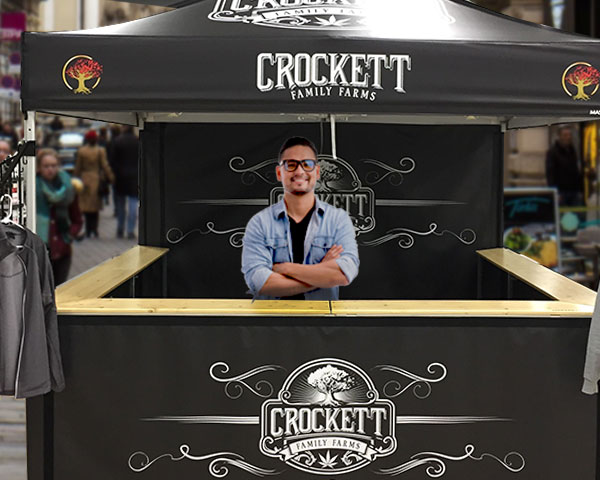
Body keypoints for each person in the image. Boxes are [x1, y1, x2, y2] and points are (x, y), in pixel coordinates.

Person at [241, 136, 359, 300]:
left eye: (307, 164)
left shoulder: (338, 220)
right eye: (291, 164)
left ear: (317, 172)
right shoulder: (260, 223)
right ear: (278, 173)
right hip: (271, 323)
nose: (299, 171)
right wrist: (321, 272)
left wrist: (286, 268)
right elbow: (262, 284)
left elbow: (344, 273)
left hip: (322, 322)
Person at [36, 148, 83, 285]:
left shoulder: (68, 188)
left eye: (53, 165)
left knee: (59, 290)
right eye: (46, 166)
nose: (50, 169)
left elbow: (77, 219)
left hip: (62, 250)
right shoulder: (33, 187)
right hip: (41, 250)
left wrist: (68, 235)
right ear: (39, 167)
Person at [74, 129, 114, 237]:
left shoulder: (82, 151)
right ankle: (94, 229)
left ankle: (88, 229)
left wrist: (75, 178)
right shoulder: (100, 151)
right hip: (96, 179)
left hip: (85, 179)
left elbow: (78, 167)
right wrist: (110, 177)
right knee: (95, 207)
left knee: (86, 206)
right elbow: (105, 165)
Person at [111, 125, 139, 239]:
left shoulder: (117, 141)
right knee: (133, 204)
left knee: (121, 205)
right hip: (134, 177)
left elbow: (112, 160)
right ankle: (130, 230)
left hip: (120, 177)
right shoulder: (137, 141)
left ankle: (120, 228)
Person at [546, 125, 583, 206]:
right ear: (559, 136)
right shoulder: (552, 153)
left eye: (569, 135)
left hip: (574, 192)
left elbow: (576, 171)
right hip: (561, 193)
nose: (568, 137)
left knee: (578, 215)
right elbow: (550, 174)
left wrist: (580, 190)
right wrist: (555, 193)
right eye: (565, 135)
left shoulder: (572, 151)